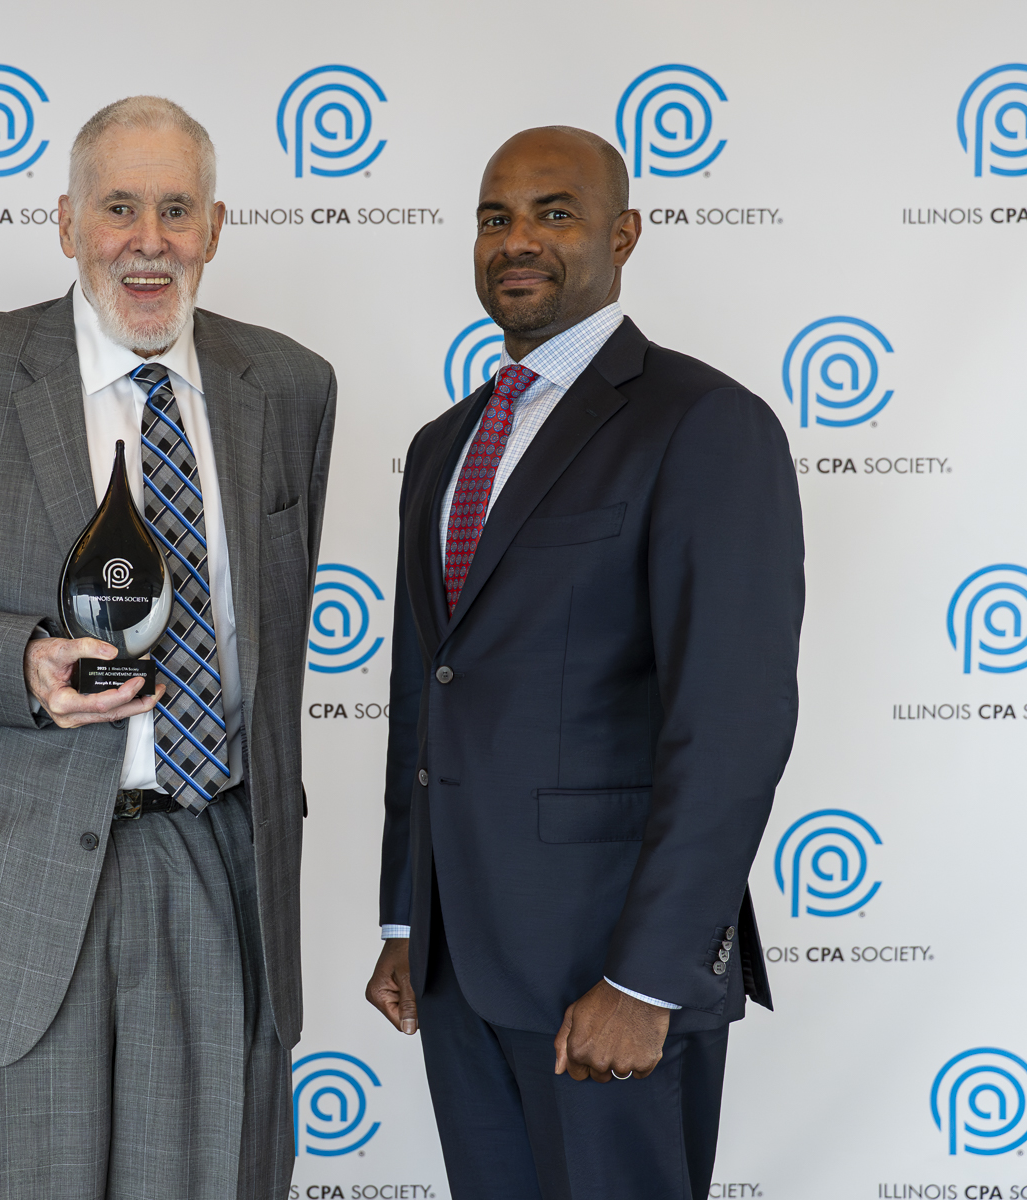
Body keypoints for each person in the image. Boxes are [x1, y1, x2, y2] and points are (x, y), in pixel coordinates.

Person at [0, 96, 336, 1199]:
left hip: (215, 866)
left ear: (215, 226)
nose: (147, 239)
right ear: (66, 223)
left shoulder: (291, 387)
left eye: (175, 209)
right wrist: (15, 667)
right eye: (119, 207)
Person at [363, 126, 804, 1200]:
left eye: (554, 212)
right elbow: (430, 693)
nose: (518, 240)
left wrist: (646, 979)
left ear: (624, 234)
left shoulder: (703, 424)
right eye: (494, 217)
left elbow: (731, 725)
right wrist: (404, 919)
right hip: (461, 971)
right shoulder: (441, 445)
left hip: (605, 977)